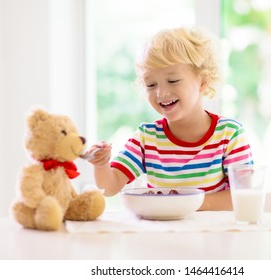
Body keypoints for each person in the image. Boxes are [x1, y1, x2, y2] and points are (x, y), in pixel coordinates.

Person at [85, 26, 253, 210]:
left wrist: (185, 203)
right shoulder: (146, 137)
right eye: (150, 84)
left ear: (202, 82)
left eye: (173, 81)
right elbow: (109, 187)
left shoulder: (229, 134)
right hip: (161, 236)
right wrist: (101, 165)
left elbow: (242, 195)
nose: (161, 92)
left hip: (213, 235)